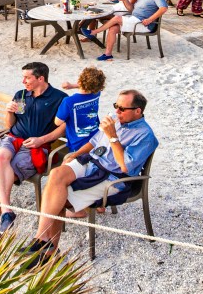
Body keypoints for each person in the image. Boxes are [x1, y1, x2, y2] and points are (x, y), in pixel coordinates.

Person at [23, 90, 158, 261]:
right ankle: (42, 239)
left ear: (138, 111)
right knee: (56, 174)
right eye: (116, 106)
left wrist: (113, 137)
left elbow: (125, 166)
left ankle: (49, 251)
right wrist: (75, 154)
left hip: (113, 178)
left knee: (61, 198)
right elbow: (93, 142)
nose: (117, 111)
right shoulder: (116, 121)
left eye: (122, 109)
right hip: (91, 163)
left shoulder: (146, 135)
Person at [0, 63, 67, 244]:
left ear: (40, 78)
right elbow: (10, 125)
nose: (23, 81)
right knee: (0, 156)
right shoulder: (21, 94)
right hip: (12, 138)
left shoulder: (60, 98)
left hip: (34, 146)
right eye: (23, 77)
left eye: (27, 78)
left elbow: (64, 127)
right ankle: (7, 211)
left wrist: (41, 140)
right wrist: (8, 112)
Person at [83, 0, 168, 61]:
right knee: (113, 28)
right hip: (133, 19)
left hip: (142, 24)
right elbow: (132, 10)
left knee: (117, 18)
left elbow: (163, 8)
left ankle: (93, 32)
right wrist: (125, 0)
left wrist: (149, 19)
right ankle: (108, 54)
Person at [56, 67, 107, 155]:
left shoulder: (68, 101)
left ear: (80, 80)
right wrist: (72, 86)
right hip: (96, 138)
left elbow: (58, 122)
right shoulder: (97, 93)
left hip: (77, 144)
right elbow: (89, 86)